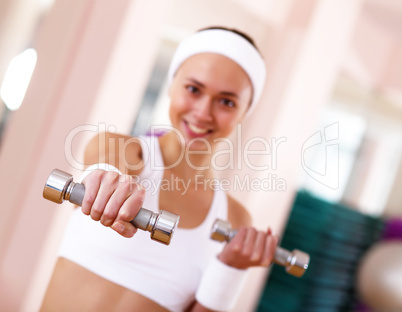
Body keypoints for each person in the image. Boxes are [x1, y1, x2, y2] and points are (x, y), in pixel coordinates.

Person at [41, 26, 279, 312]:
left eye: (227, 102)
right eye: (193, 89)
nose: (203, 112)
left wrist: (231, 270)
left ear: (245, 112)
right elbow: (110, 160)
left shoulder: (235, 218)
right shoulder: (122, 150)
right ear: (172, 86)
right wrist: (105, 179)